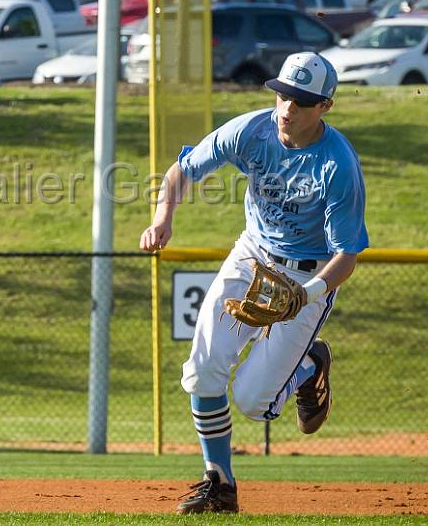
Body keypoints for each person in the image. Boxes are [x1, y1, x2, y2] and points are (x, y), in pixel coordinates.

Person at [139, 52, 369, 514]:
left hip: (309, 275)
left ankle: (309, 365)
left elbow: (347, 256)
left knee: (252, 403)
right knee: (203, 369)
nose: (287, 108)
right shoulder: (252, 130)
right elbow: (182, 169)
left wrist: (308, 294)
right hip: (252, 256)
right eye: (283, 94)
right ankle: (219, 485)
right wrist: (164, 216)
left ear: (325, 106)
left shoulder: (338, 165)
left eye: (302, 101)